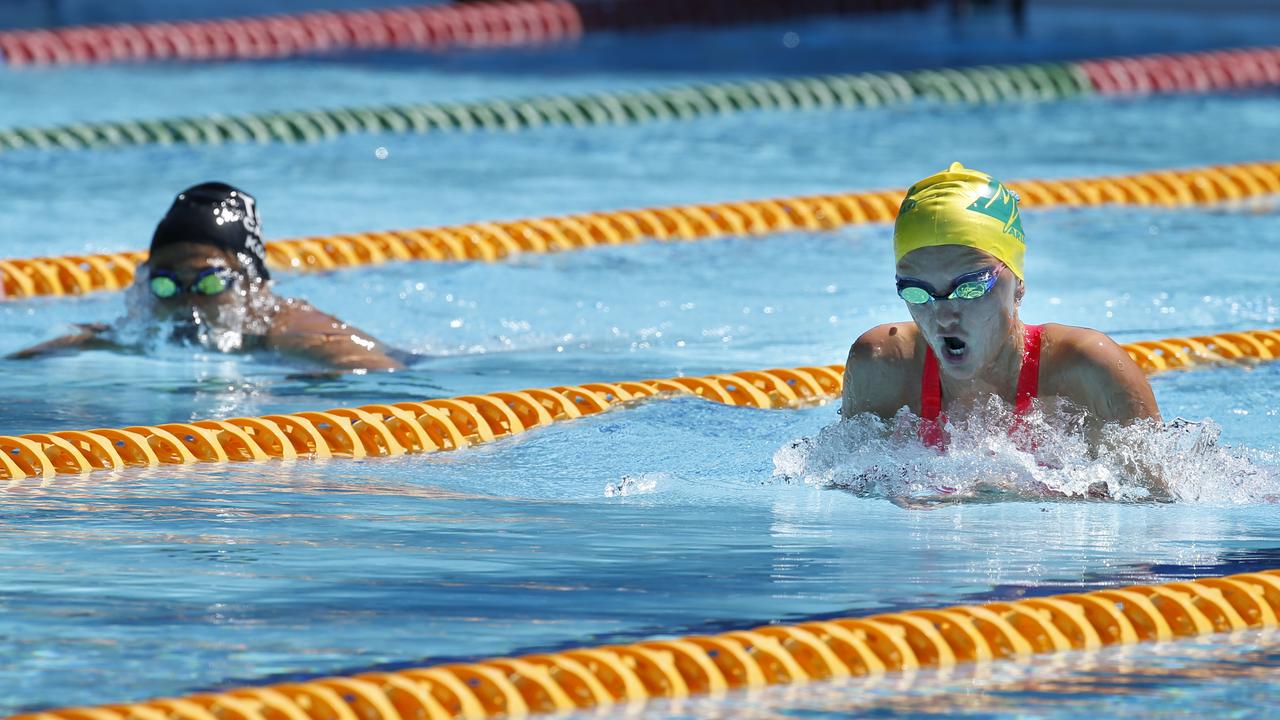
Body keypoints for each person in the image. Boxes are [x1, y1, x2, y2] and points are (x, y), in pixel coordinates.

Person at [840, 162, 1160, 449]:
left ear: (1018, 285)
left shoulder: (1088, 371)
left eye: (969, 287)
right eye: (917, 292)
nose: (942, 313)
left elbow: (1158, 506)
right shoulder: (883, 366)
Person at [9, 182, 406, 371]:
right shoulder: (139, 332)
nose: (187, 301)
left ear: (253, 284)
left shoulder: (293, 332)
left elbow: (383, 372)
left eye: (210, 282)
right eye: (165, 283)